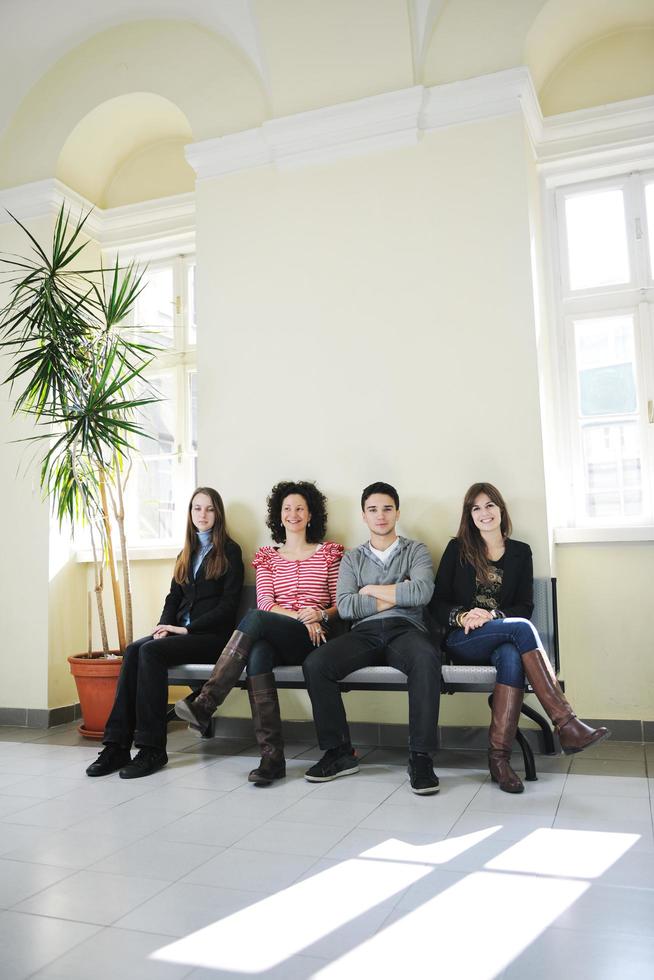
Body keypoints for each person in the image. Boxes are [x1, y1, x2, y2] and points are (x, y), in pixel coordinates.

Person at [432, 482, 610, 794]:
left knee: (512, 653)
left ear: (501, 509)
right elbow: (437, 603)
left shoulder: (520, 552)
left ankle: (498, 760)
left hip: (501, 636)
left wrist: (492, 615)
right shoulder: (456, 550)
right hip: (464, 639)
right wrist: (464, 616)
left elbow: (524, 605)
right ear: (469, 515)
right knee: (522, 629)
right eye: (476, 508)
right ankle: (566, 723)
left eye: (490, 505)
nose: (484, 513)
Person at [175, 480, 344, 786]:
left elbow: (338, 604)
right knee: (258, 654)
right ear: (279, 516)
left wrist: (318, 615)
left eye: (300, 509)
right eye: (287, 509)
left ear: (310, 515)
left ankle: (206, 701)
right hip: (284, 632)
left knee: (255, 620)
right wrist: (302, 616)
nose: (293, 514)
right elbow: (266, 603)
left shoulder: (329, 554)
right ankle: (272, 758)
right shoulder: (267, 556)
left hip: (316, 638)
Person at [86, 487, 244, 779]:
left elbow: (229, 607)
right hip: (179, 633)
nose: (203, 515)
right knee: (135, 649)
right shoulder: (185, 553)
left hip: (211, 637)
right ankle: (117, 745)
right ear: (190, 513)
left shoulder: (230, 551)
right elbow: (173, 599)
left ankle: (152, 748)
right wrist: (163, 627)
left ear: (218, 514)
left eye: (209, 509)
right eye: (197, 508)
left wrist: (185, 628)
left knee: (150, 652)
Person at [303, 482, 441, 795]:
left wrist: (372, 591)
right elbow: (348, 605)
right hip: (363, 633)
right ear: (364, 516)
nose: (380, 515)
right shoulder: (352, 559)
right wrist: (398, 591)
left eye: (387, 508)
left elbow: (423, 592)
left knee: (426, 658)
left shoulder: (415, 550)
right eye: (373, 510)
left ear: (398, 513)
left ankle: (420, 756)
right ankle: (339, 753)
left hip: (406, 630)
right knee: (316, 663)